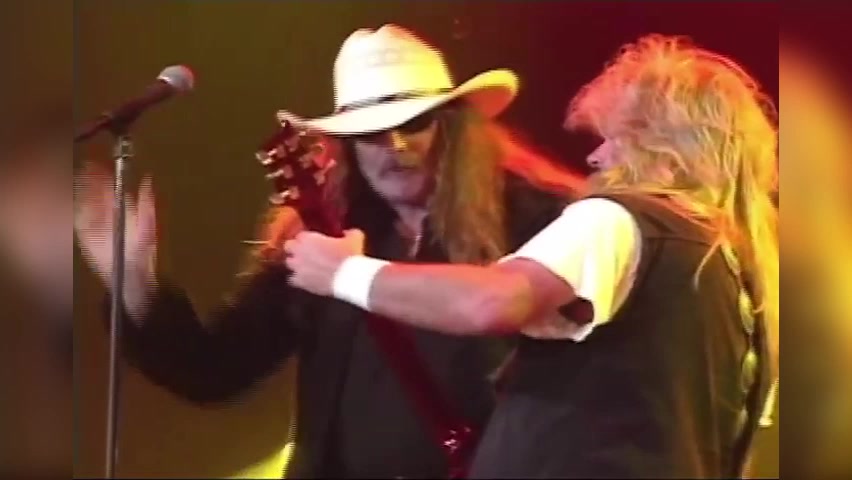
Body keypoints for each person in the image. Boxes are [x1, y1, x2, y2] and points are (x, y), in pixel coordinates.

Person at [74, 24, 580, 478]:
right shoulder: (323, 233)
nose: (396, 146)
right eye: (371, 132)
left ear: (453, 127)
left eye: (414, 123)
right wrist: (134, 279)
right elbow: (216, 369)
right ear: (347, 145)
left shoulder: (536, 221)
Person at [285, 34, 779, 478]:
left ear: (663, 151)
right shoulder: (741, 278)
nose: (596, 158)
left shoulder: (619, 221)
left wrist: (343, 272)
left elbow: (491, 302)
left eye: (614, 140)